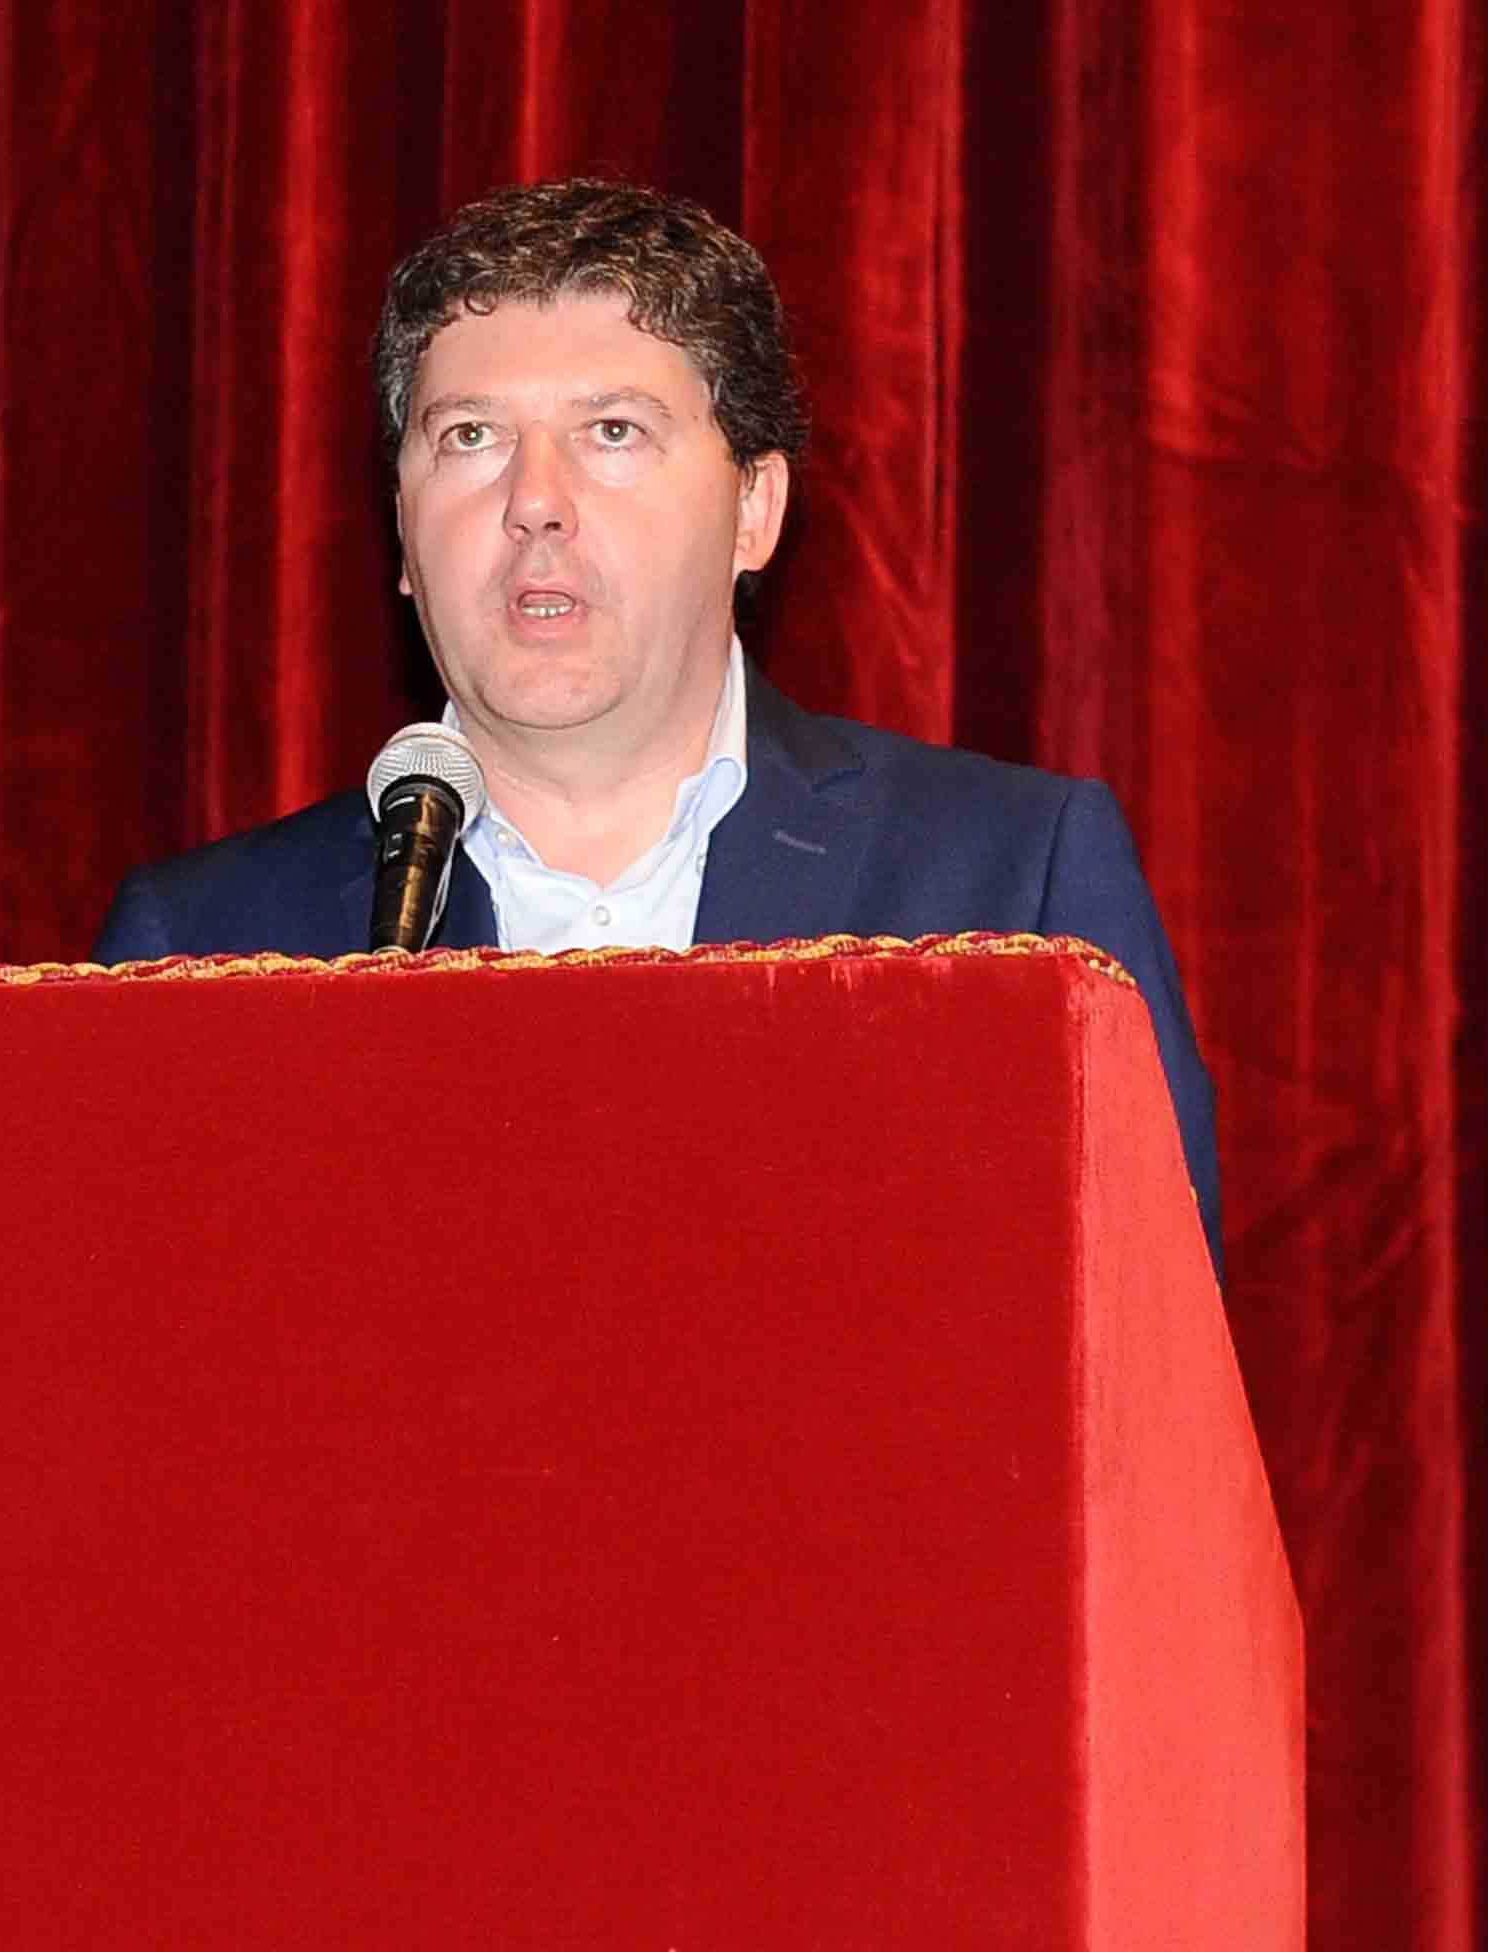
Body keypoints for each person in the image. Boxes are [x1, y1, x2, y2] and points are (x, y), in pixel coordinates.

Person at [89, 179, 1223, 1273]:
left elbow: (1142, 1358)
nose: (534, 502)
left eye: (613, 431)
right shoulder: (200, 948)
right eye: (471, 437)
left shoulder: (1009, 889)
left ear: (753, 510)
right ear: (402, 531)